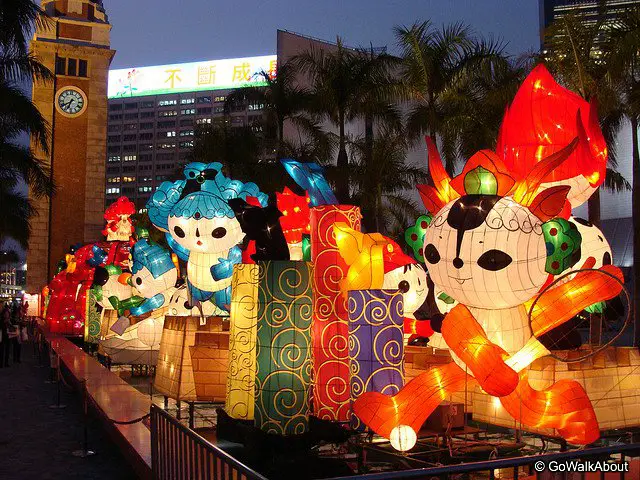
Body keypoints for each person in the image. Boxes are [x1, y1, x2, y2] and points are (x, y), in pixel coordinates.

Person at [0, 303, 11, 367]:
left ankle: (6, 363)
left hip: (7, 334)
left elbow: (10, 324)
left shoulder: (5, 312)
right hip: (2, 334)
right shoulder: (1, 317)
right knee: (1, 349)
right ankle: (1, 363)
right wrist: (4, 321)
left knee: (7, 349)